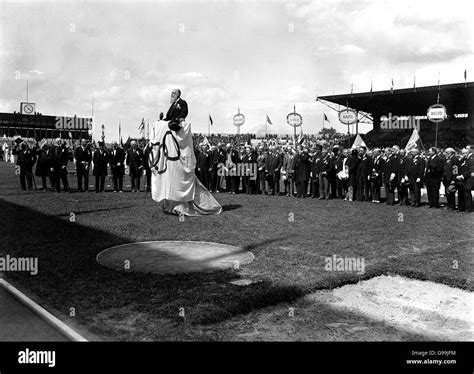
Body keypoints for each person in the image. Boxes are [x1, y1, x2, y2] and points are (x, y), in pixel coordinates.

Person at [150, 89, 221, 216]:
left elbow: (183, 114)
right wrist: (162, 121)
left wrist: (177, 120)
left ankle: (183, 207)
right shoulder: (171, 106)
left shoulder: (182, 103)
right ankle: (172, 205)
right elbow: (168, 117)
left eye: (173, 93)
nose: (171, 95)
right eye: (171, 93)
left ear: (178, 94)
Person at [456, 148, 474, 212]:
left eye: (464, 153)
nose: (463, 154)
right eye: (462, 153)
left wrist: (462, 176)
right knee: (462, 193)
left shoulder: (471, 159)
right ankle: (462, 208)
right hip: (462, 180)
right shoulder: (463, 159)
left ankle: (468, 208)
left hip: (468, 179)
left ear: (468, 152)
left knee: (467, 194)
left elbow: (470, 170)